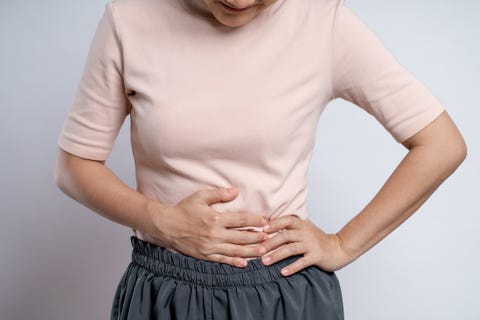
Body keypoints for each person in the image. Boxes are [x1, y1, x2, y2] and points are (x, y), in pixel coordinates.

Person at [54, 0, 467, 319]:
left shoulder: (324, 23)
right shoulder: (129, 18)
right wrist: (162, 221)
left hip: (283, 295)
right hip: (165, 293)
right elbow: (75, 166)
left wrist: (343, 244)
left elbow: (441, 144)